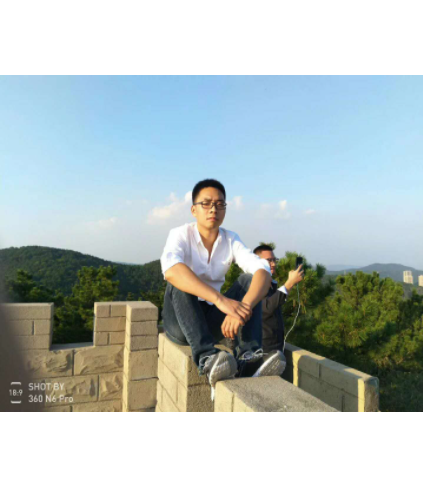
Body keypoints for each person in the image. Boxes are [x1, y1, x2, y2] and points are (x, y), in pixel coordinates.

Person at [160, 179, 286, 395]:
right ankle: (206, 359)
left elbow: (263, 271)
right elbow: (171, 269)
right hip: (180, 322)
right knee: (180, 280)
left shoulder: (230, 239)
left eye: (219, 204)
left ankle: (249, 358)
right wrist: (222, 301)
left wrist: (242, 308)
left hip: (211, 320)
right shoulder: (180, 234)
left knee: (249, 280)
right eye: (206, 203)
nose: (213, 209)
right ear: (193, 210)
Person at [253, 245, 304, 371]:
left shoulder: (270, 284)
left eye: (274, 260)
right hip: (262, 352)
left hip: (273, 350)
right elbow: (266, 308)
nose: (273, 264)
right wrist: (289, 283)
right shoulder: (253, 283)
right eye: (269, 260)